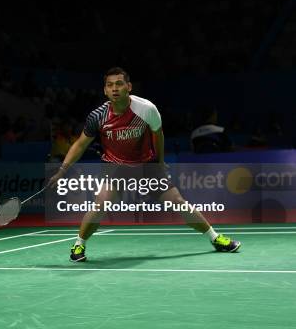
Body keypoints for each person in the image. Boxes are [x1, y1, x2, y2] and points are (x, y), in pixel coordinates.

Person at [48, 67, 241, 263]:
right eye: (109, 85)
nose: (114, 88)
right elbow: (80, 144)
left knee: (179, 203)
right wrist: (62, 170)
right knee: (100, 205)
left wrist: (159, 162)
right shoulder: (98, 116)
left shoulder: (146, 109)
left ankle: (215, 239)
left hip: (146, 165)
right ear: (105, 90)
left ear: (128, 87)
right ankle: (79, 244)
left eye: (119, 84)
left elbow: (158, 134)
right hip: (115, 168)